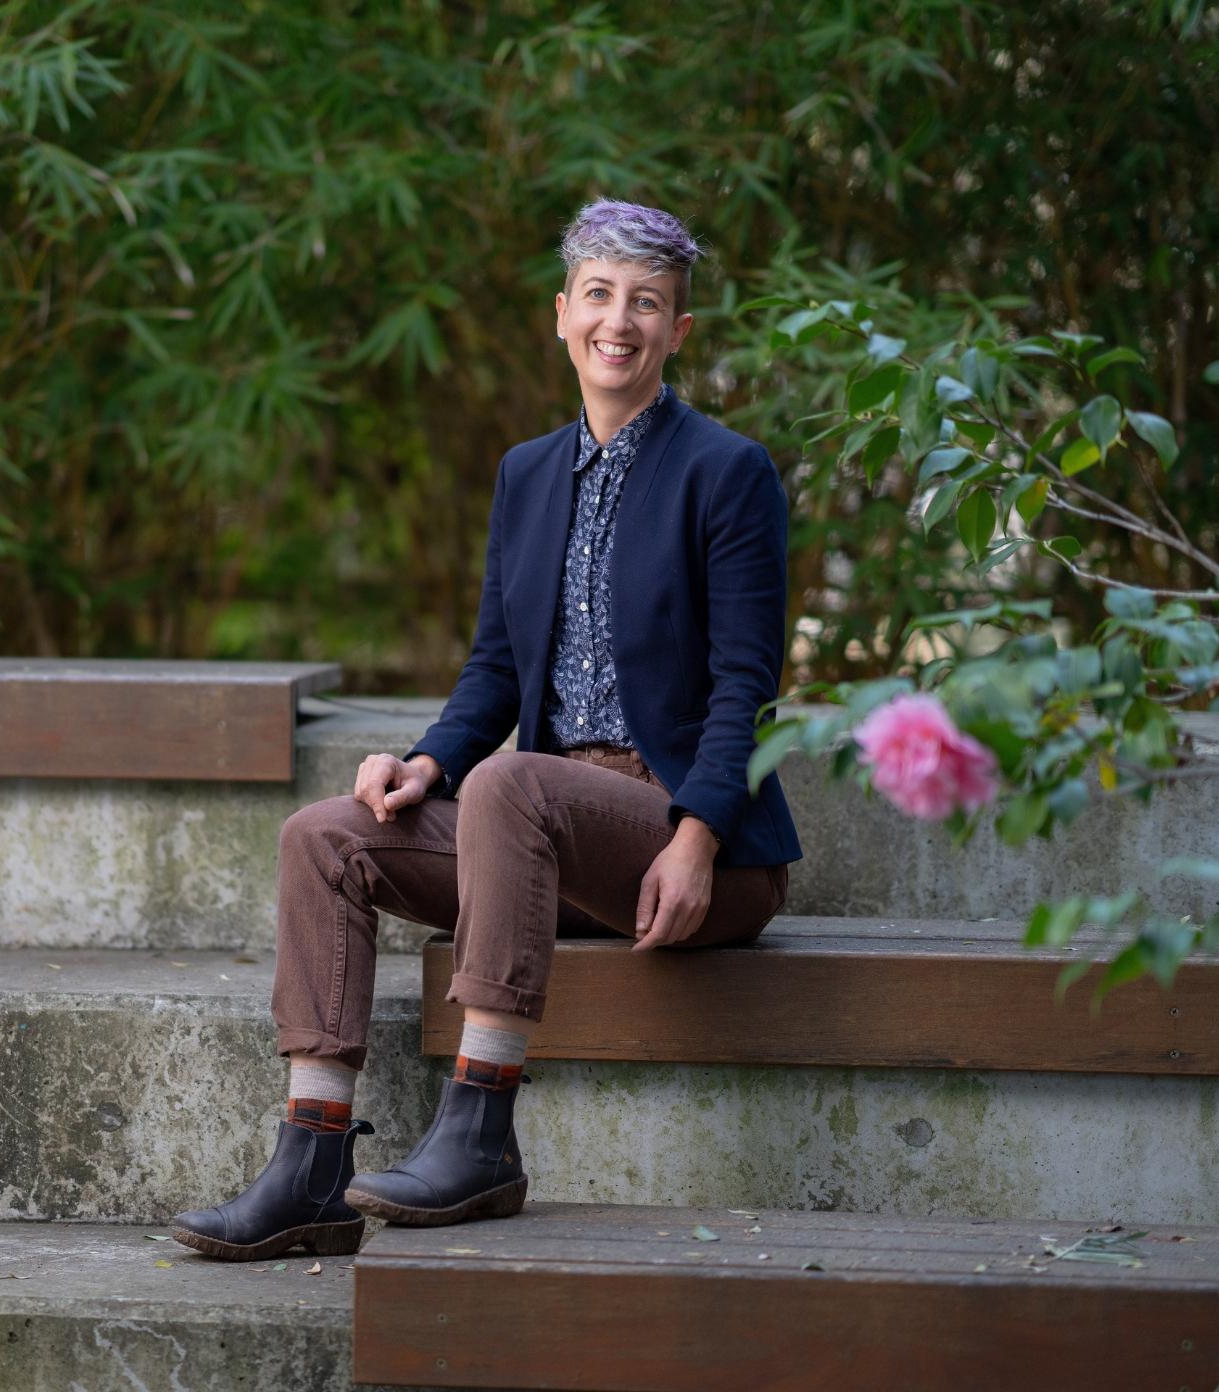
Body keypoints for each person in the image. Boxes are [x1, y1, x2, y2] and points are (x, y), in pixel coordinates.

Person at [171, 198, 802, 1261]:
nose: (619, 321)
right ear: (560, 315)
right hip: (543, 837)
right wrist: (424, 762)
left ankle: (482, 1133)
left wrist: (694, 837)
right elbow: (495, 669)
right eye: (598, 296)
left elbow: (747, 686)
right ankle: (310, 1165)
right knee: (323, 836)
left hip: (689, 843)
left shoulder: (725, 472)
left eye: (646, 302)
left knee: (517, 784)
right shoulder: (524, 472)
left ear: (678, 333)